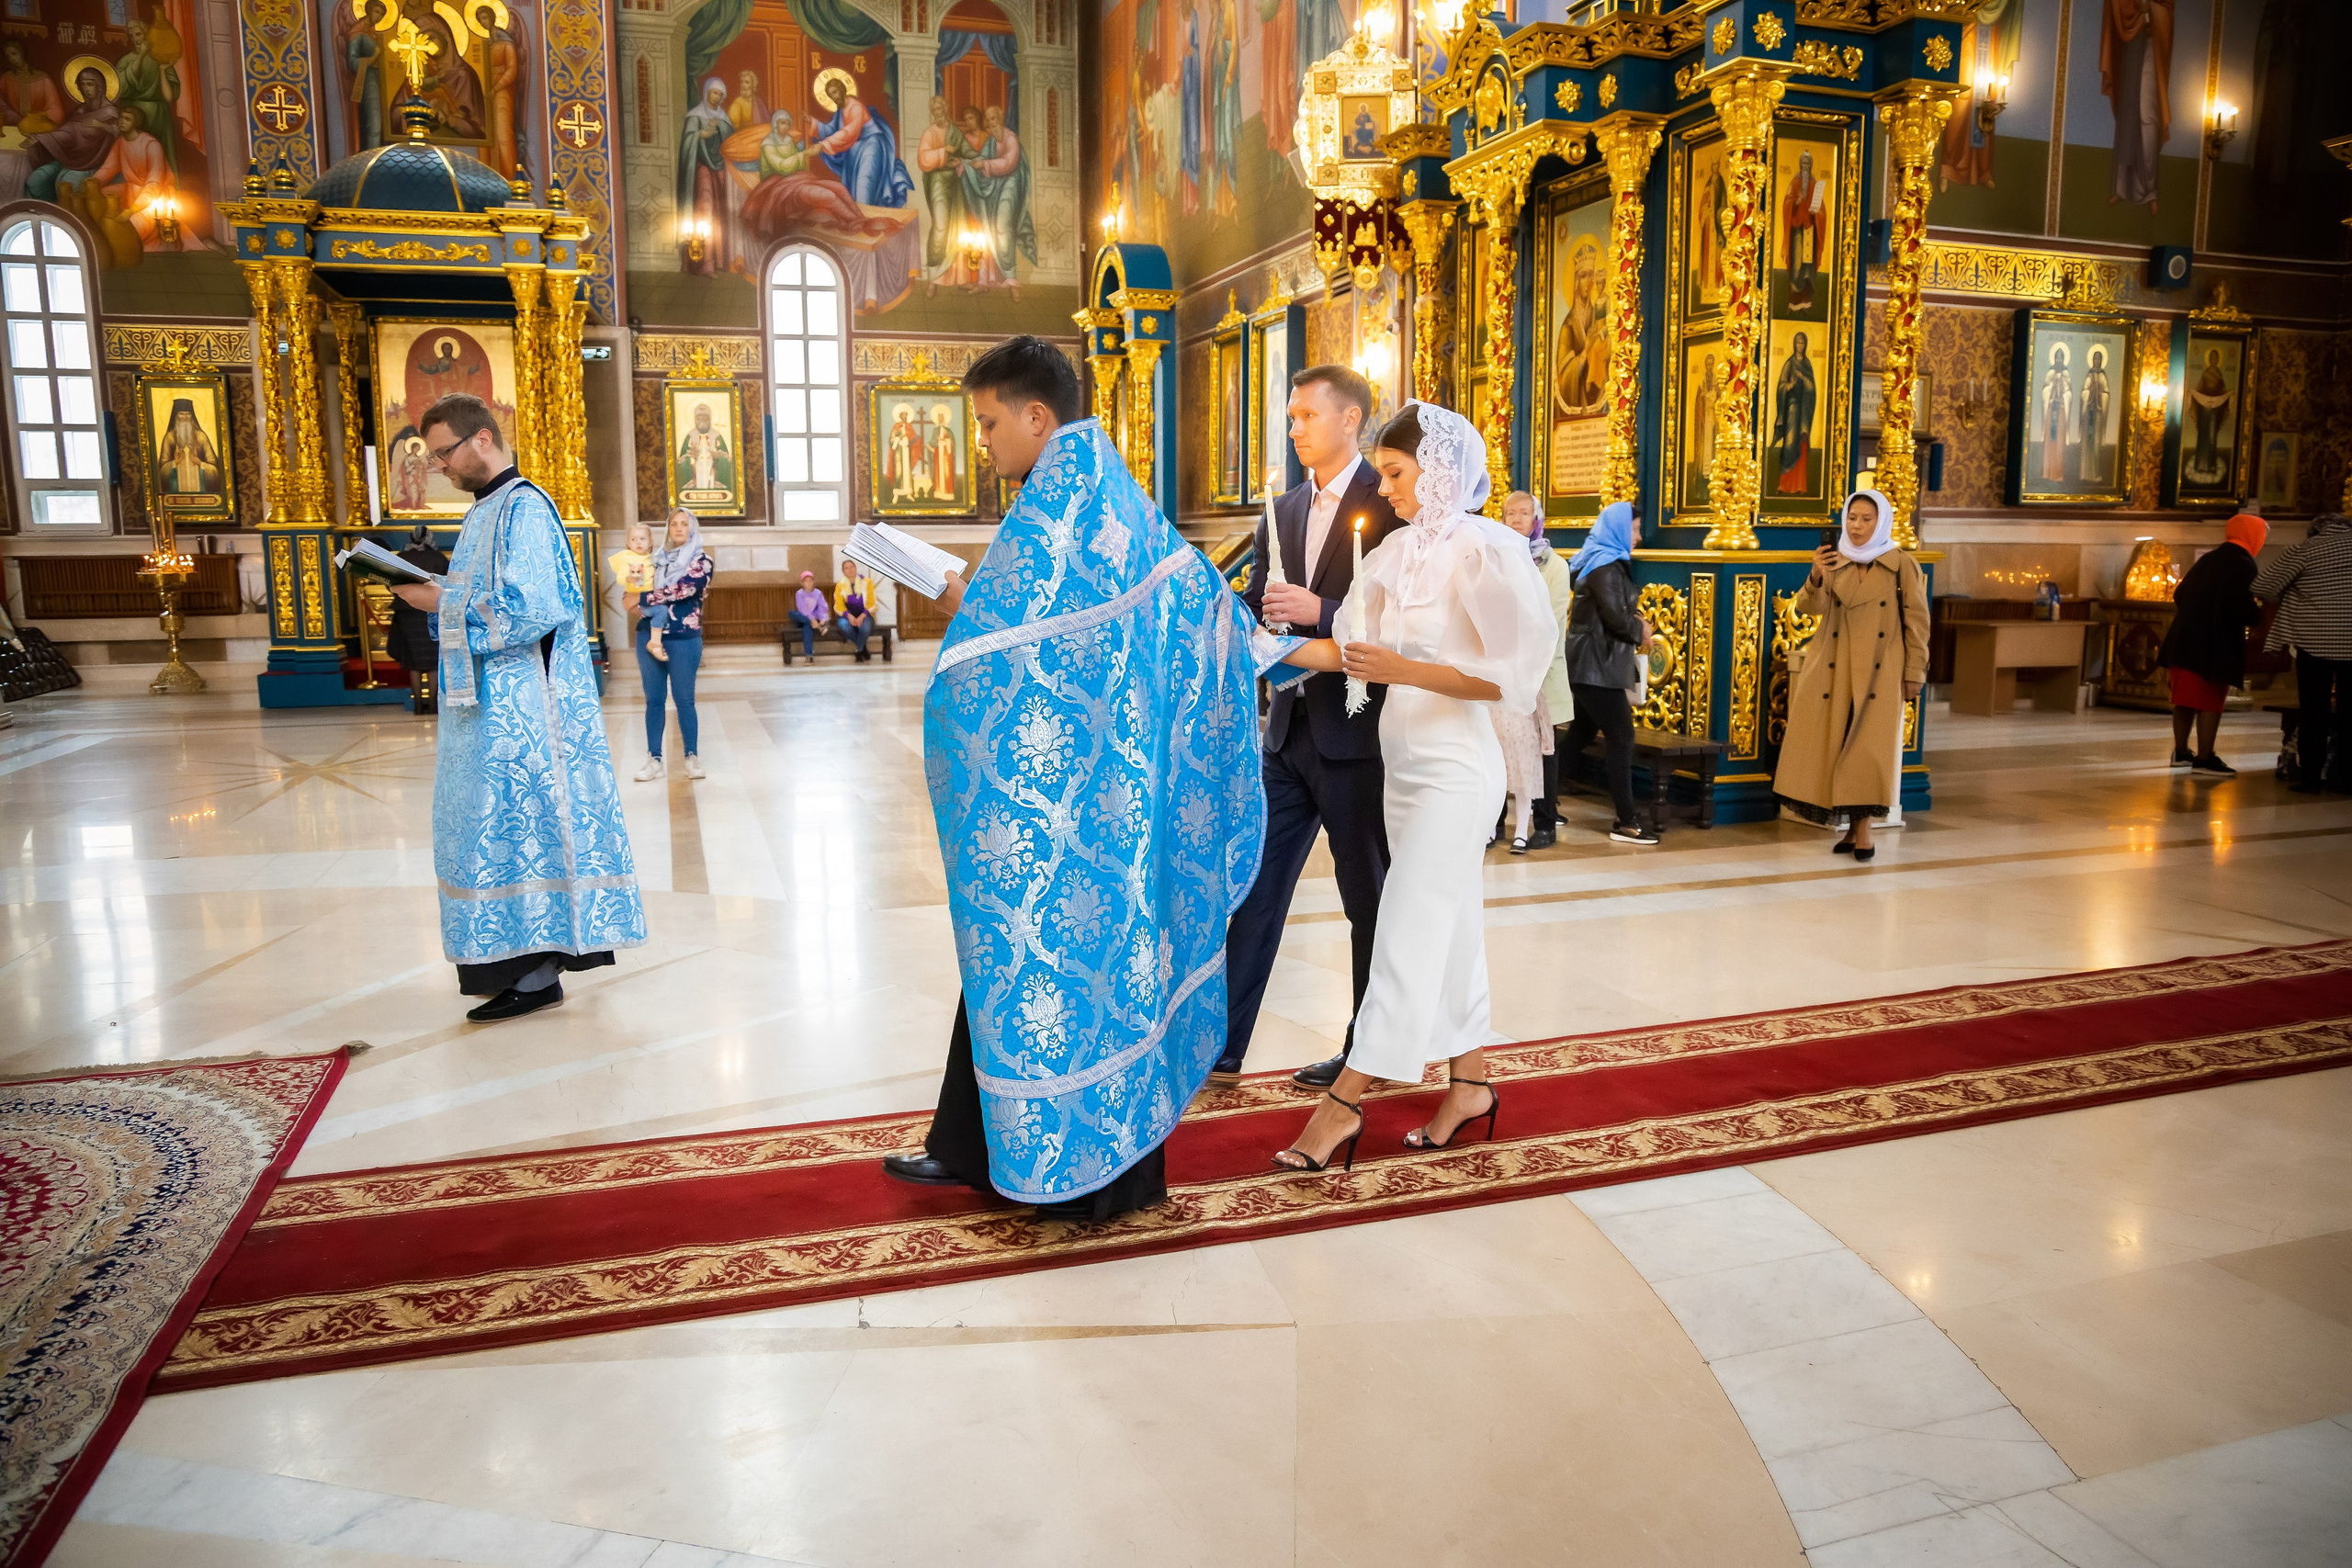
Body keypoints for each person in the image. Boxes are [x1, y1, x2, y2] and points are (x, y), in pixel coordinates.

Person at [879, 335, 1267, 1221]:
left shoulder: (1066, 505)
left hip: (1082, 797)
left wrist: (960, 606)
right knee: (1036, 958)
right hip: (1093, 799)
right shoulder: (1099, 494)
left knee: (1041, 959)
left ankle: (1068, 1171)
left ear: (1036, 415)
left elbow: (1034, 641)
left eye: (988, 424)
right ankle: (984, 1147)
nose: (983, 442)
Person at [1266, 401, 1557, 1173]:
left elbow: (1510, 679)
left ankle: (1345, 1101)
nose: (1386, 487)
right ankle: (1470, 1087)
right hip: (1406, 769)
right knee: (1451, 928)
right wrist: (1264, 650)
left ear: (1439, 471)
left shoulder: (1486, 550)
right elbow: (1351, 651)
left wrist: (1405, 669)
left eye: (1395, 473)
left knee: (1405, 927)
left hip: (1458, 772)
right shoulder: (1395, 553)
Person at [387, 394, 645, 1024]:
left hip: (521, 713)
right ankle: (509, 966)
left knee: (518, 829)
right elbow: (484, 596)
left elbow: (534, 608)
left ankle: (534, 976)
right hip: (486, 708)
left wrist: (438, 602)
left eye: (444, 453)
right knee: (486, 830)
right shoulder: (484, 511)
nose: (438, 467)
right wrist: (439, 591)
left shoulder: (525, 507)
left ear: (481, 439)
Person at [1218, 364, 1405, 1091]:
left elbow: (1398, 613)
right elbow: (1264, 601)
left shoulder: (1388, 500)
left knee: (1367, 899)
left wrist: (1321, 611)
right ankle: (1221, 1045)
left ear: (1350, 419)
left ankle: (1368, 1049)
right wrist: (1233, 613)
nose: (1294, 427)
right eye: (1291, 416)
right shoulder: (1285, 506)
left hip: (1356, 733)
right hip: (1288, 730)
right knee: (1255, 888)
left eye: (1307, 415)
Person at [1773, 488, 1930, 860]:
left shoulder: (1901, 564)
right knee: (1835, 744)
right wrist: (1816, 574)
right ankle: (1852, 830)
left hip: (1880, 670)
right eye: (1852, 518)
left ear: (1882, 522)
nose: (1857, 526)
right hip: (1832, 668)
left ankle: (1864, 832)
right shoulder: (1835, 559)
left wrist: (1914, 672)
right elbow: (1810, 607)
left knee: (1867, 751)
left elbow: (1918, 623)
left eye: (1866, 519)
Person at [1559, 501, 1657, 845]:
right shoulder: (1606, 566)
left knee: (1581, 734)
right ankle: (1626, 822)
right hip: (1596, 666)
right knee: (1622, 737)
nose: (1638, 537)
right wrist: (1639, 629)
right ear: (1617, 529)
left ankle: (1543, 802)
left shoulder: (1597, 560)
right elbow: (1615, 619)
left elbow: (1610, 611)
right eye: (1634, 529)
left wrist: (1636, 621)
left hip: (1591, 665)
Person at [2158, 511, 2267, 778]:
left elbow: (2180, 594)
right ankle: (2205, 758)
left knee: (2184, 700)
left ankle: (2181, 752)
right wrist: (2258, 617)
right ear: (2252, 536)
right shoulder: (2243, 563)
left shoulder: (2209, 558)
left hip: (2183, 639)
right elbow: (2239, 605)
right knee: (2210, 701)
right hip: (2213, 645)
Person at [2255, 513, 2352, 794]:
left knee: (2313, 711)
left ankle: (2310, 779)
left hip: (2315, 641)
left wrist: (2292, 589)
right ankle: (2346, 780)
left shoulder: (2305, 550)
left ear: (2315, 531)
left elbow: (2263, 585)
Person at [1489, 491, 1561, 854]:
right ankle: (1494, 825)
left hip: (1536, 672)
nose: (1516, 519)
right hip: (1498, 670)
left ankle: (1540, 825)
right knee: (1497, 751)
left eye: (1524, 513)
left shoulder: (1552, 565)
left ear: (1537, 520)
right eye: (1510, 513)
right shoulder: (1495, 557)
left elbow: (1552, 623)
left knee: (1534, 752)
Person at [633, 508, 711, 781]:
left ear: (692, 528)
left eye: (684, 524)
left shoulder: (702, 561)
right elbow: (633, 587)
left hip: (683, 637)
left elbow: (683, 590)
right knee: (653, 700)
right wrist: (634, 594)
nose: (678, 528)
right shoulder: (654, 559)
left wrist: (643, 599)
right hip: (648, 635)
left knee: (684, 700)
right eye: (674, 524)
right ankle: (654, 759)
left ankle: (692, 757)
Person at [608, 522, 662, 660]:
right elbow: (620, 578)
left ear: (650, 542)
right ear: (628, 543)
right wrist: (628, 578)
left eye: (642, 539)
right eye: (633, 539)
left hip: (649, 597)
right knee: (661, 612)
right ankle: (655, 642)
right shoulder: (627, 557)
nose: (638, 542)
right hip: (635, 597)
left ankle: (656, 638)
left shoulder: (652, 559)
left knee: (661, 613)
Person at [832, 560, 877, 661]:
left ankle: (859, 650)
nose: (850, 569)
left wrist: (862, 616)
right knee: (844, 626)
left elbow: (872, 603)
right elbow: (838, 605)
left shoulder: (867, 582)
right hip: (847, 615)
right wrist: (849, 616)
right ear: (843, 572)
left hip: (865, 614)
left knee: (864, 628)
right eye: (846, 568)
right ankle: (862, 647)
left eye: (852, 566)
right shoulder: (840, 585)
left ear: (856, 568)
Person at [790, 569, 829, 659]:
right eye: (806, 581)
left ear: (813, 582)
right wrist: (812, 620)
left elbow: (822, 606)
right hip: (802, 619)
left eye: (811, 580)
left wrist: (823, 618)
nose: (808, 583)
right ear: (802, 583)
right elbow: (802, 609)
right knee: (791, 613)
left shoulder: (818, 593)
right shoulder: (799, 593)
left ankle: (809, 655)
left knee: (807, 627)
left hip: (812, 621)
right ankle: (820, 628)